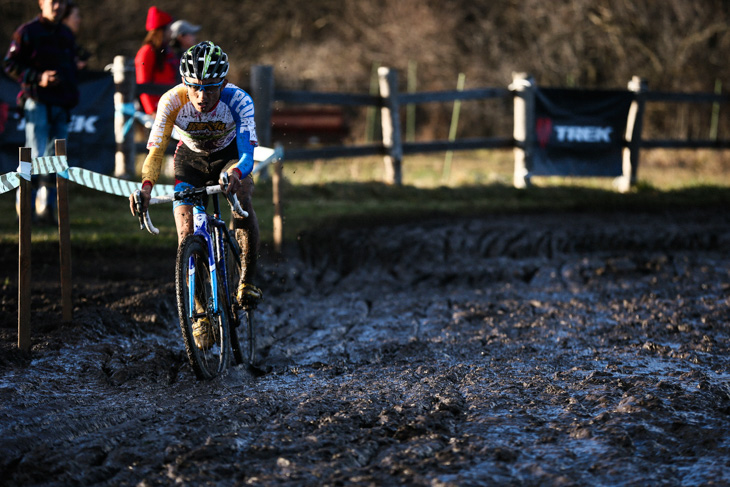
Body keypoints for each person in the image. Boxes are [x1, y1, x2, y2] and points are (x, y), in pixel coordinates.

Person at [129, 41, 262, 349]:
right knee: (186, 233)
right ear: (184, 84)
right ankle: (201, 313)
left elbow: (247, 154)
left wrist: (236, 174)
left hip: (229, 157)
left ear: (224, 83)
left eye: (212, 89)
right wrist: (146, 187)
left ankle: (247, 280)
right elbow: (156, 151)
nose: (202, 97)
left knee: (242, 195)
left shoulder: (239, 100)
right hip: (189, 159)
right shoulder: (171, 100)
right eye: (195, 88)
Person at [3, 0, 80, 224]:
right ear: (41, 3)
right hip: (37, 101)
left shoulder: (66, 34)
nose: (57, 6)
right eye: (52, 2)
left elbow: (71, 68)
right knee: (35, 157)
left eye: (61, 2)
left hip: (61, 104)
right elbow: (10, 64)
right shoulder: (27, 32)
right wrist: (39, 78)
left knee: (58, 162)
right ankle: (25, 211)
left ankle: (48, 211)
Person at [134, 6, 176, 115]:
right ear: (161, 31)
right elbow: (143, 83)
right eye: (169, 28)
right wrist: (151, 110)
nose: (171, 32)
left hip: (170, 105)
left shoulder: (166, 50)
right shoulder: (147, 51)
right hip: (155, 110)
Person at [62, 0, 91, 70]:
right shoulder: (59, 43)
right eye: (76, 16)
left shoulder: (71, 42)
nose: (79, 20)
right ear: (64, 19)